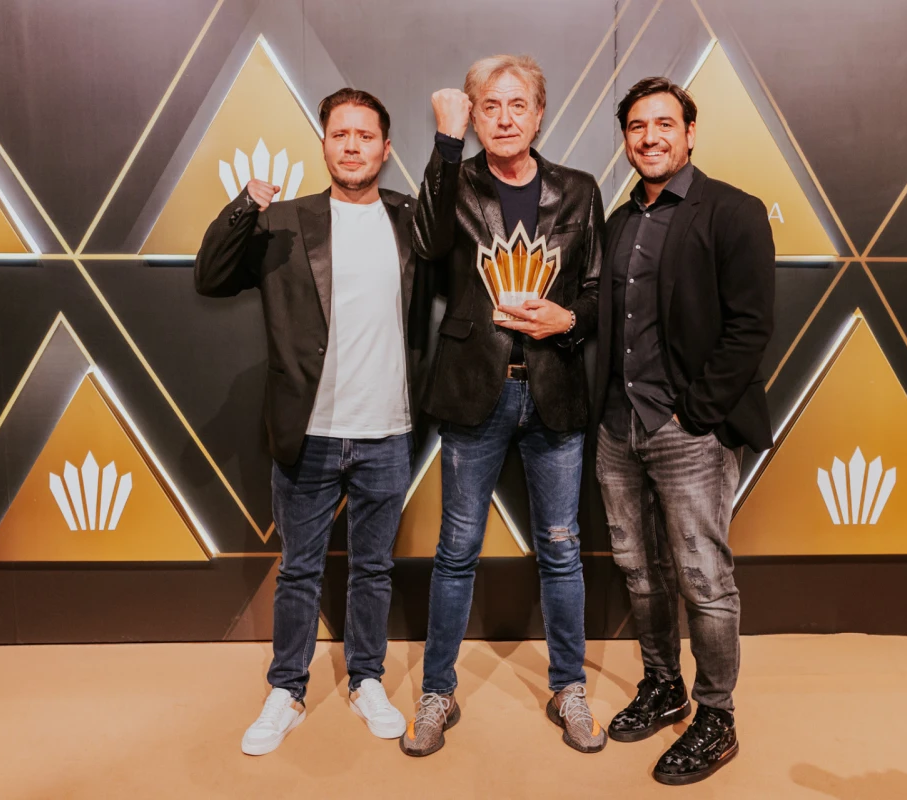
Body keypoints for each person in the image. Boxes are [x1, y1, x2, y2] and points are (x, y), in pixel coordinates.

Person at [194, 88, 433, 755]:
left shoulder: (412, 220)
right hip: (309, 431)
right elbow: (210, 277)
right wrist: (244, 205)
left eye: (365, 135)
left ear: (386, 148)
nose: (351, 146)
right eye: (339, 134)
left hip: (387, 429)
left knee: (373, 569)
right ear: (324, 144)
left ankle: (367, 679)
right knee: (299, 569)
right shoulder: (282, 221)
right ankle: (287, 689)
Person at [399, 54, 605, 757]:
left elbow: (598, 292)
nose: (506, 118)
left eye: (519, 105)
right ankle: (438, 691)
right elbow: (426, 243)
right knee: (457, 548)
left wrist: (567, 320)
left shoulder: (579, 190)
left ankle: (569, 687)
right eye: (490, 106)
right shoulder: (453, 180)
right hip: (473, 389)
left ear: (540, 114)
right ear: (474, 115)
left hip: (554, 390)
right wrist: (445, 142)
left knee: (562, 548)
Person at [594, 76, 775, 785]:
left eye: (664, 123)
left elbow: (750, 327)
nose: (651, 137)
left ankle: (716, 716)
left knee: (704, 580)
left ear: (690, 133)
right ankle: (663, 685)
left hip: (688, 432)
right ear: (626, 138)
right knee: (640, 572)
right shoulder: (617, 222)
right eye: (637, 126)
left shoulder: (733, 211)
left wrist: (694, 414)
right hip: (616, 428)